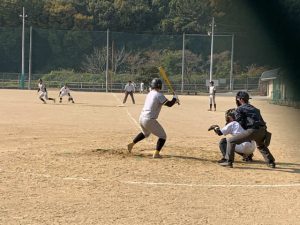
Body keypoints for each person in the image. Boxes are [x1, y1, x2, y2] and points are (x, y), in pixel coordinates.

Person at [219, 91, 275, 168]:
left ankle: (228, 161)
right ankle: (271, 162)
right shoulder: (255, 109)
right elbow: (262, 121)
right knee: (261, 146)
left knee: (230, 141)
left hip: (252, 130)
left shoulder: (239, 109)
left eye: (238, 99)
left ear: (241, 99)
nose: (237, 100)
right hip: (262, 130)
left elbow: (240, 123)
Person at [127, 78, 179, 158]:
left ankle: (131, 144)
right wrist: (175, 98)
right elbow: (169, 104)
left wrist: (174, 100)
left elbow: (168, 103)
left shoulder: (150, 93)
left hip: (141, 118)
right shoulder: (159, 95)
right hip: (149, 119)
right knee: (163, 136)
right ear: (160, 86)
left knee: (146, 133)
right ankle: (156, 153)